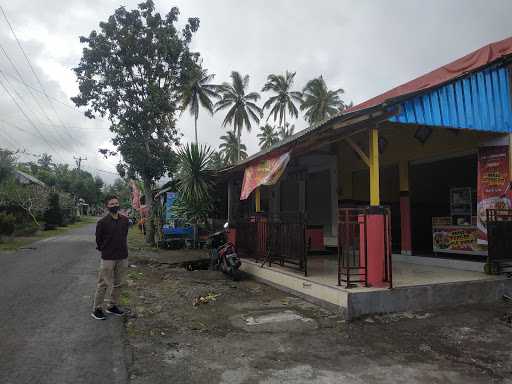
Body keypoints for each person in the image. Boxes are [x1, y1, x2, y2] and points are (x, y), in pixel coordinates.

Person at [91, 195, 130, 320]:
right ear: (107, 206)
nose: (114, 205)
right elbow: (98, 240)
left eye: (116, 203)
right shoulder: (102, 222)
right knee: (103, 283)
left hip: (122, 257)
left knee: (119, 283)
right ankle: (97, 309)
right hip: (108, 258)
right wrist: (106, 249)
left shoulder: (124, 220)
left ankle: (112, 306)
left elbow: (124, 235)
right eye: (112, 204)